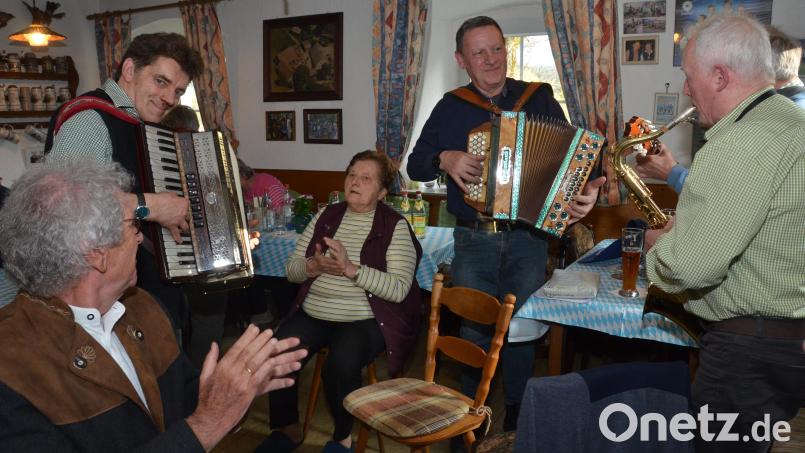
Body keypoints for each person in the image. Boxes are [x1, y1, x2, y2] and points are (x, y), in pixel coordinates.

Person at [0, 160, 306, 451]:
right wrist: (209, 422)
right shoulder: (12, 365)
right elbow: (195, 427)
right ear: (96, 253)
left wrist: (222, 392)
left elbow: (180, 405)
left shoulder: (142, 307)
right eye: (133, 225)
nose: (139, 237)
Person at [406, 16, 604, 433]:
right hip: (473, 239)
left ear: (506, 50)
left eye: (497, 49)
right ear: (462, 60)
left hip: (528, 240)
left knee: (522, 331)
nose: (491, 59)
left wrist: (589, 190)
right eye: (479, 52)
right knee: (474, 328)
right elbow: (415, 163)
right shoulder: (450, 106)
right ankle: (467, 416)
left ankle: (516, 419)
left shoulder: (539, 98)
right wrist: (446, 158)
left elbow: (582, 155)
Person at [645, 14, 805, 452]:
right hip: (786, 344)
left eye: (689, 77)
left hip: (745, 354)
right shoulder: (792, 124)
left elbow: (690, 268)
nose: (686, 91)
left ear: (720, 76)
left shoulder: (738, 141)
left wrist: (656, 246)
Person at [255, 151, 422, 453]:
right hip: (315, 313)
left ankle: (342, 438)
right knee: (277, 350)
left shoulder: (395, 226)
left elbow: (399, 289)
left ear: (383, 192)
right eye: (351, 175)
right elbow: (291, 271)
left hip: (364, 318)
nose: (355, 182)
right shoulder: (326, 215)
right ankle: (287, 428)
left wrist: (351, 269)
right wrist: (313, 267)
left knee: (341, 364)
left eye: (366, 178)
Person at [45, 32, 203, 333]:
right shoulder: (89, 120)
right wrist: (149, 206)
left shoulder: (137, 125)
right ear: (129, 70)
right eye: (161, 81)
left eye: (179, 91)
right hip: (95, 298)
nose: (171, 99)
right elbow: (61, 204)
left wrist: (158, 224)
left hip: (132, 289)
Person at [636, 25, 805, 192]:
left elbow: (732, 195)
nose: (686, 91)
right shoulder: (788, 109)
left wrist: (672, 172)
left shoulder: (771, 122)